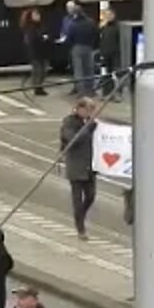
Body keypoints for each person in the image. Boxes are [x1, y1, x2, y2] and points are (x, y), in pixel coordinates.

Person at [59, 99, 97, 240]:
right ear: (79, 108)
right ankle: (80, 227)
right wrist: (87, 128)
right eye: (87, 110)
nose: (89, 113)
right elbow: (71, 139)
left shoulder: (91, 123)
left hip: (90, 166)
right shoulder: (70, 122)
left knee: (91, 195)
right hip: (75, 165)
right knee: (77, 199)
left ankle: (81, 215)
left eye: (91, 110)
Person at [65, 4, 99, 97]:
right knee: (89, 69)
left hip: (77, 48)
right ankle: (91, 90)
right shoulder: (91, 22)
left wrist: (70, 46)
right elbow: (96, 34)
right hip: (88, 48)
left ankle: (81, 91)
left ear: (75, 14)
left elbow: (69, 38)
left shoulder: (73, 24)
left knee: (78, 71)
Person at [22, 8, 51, 96]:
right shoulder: (30, 27)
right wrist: (42, 38)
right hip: (35, 52)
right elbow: (32, 39)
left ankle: (39, 86)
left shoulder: (41, 25)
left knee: (43, 70)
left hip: (42, 51)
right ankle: (38, 87)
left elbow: (45, 33)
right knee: (39, 70)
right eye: (36, 15)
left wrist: (46, 37)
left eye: (38, 15)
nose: (38, 16)